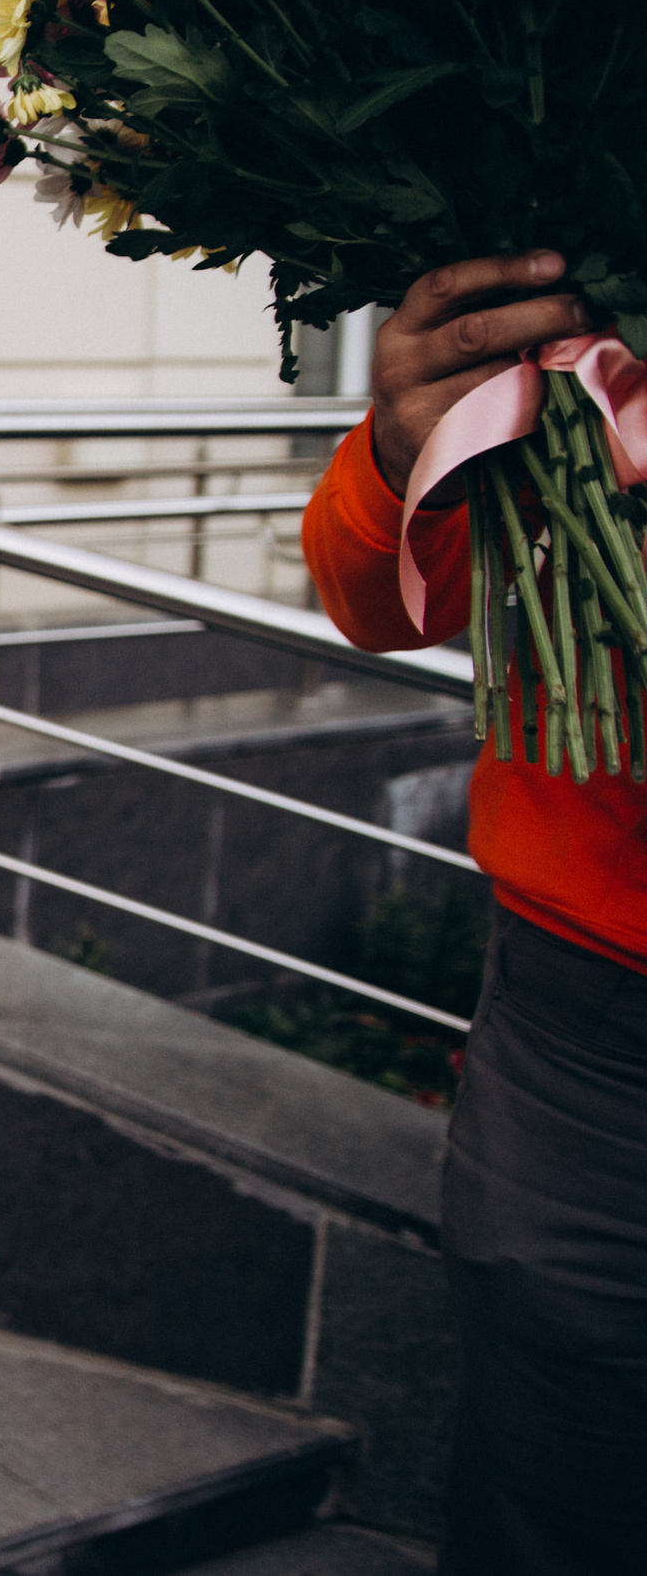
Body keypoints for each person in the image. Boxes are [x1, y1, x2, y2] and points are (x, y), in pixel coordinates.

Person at [301, 251, 643, 1575]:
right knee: (554, 1506)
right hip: (599, 1038)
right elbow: (377, 596)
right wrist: (404, 441)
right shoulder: (566, 261)